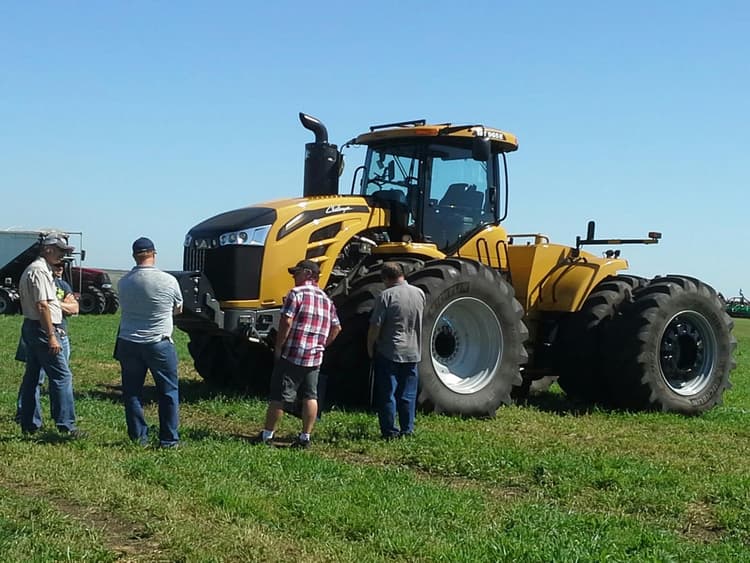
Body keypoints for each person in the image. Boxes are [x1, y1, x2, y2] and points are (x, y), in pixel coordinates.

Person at [255, 259, 341, 449]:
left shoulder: (296, 293)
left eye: (297, 273)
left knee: (279, 396)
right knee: (311, 396)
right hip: (314, 357)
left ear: (308, 274)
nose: (294, 277)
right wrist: (322, 345)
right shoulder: (327, 300)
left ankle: (267, 435)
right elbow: (337, 327)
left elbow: (286, 321)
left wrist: (279, 346)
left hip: (293, 353)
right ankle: (305, 438)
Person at [116, 237, 183, 448]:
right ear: (154, 254)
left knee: (132, 392)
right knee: (168, 392)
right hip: (159, 342)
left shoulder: (124, 282)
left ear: (134, 256)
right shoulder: (169, 281)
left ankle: (139, 437)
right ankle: (168, 439)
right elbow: (178, 308)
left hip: (128, 341)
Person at [17, 233, 82, 437]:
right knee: (62, 377)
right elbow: (43, 305)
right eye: (60, 251)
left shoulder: (39, 269)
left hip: (35, 327)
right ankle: (66, 425)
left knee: (33, 376)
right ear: (47, 249)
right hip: (43, 329)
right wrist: (52, 335)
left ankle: (29, 423)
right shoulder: (39, 271)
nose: (63, 256)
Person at [367, 262, 425, 439]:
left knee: (388, 394)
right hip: (413, 350)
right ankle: (407, 429)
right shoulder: (419, 293)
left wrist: (370, 346)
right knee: (408, 394)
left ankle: (390, 431)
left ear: (385, 278)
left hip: (390, 350)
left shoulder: (386, 296)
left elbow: (375, 326)